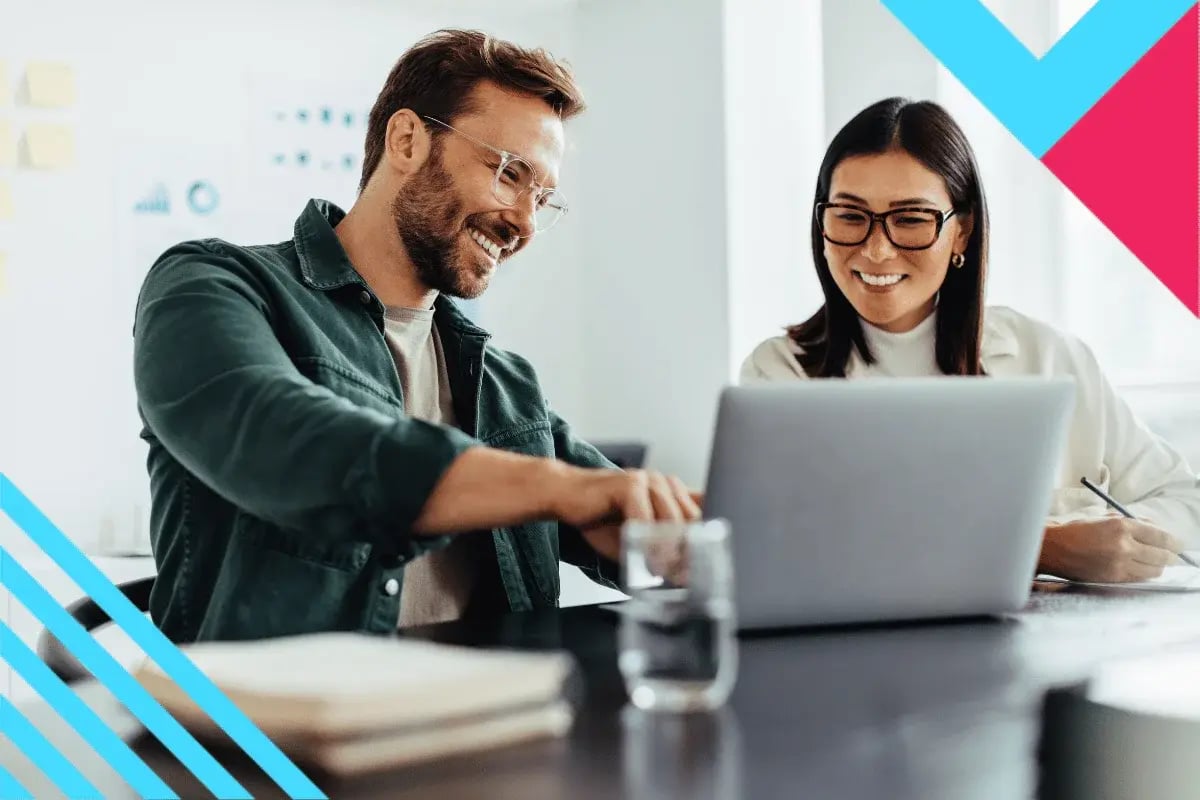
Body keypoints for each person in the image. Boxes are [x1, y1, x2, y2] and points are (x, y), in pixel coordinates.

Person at [132, 29, 699, 643]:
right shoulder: (212, 284)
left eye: (544, 198)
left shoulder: (506, 384)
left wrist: (669, 533)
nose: (525, 223)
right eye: (510, 174)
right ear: (407, 140)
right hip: (278, 730)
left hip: (499, 722)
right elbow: (285, 436)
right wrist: (561, 488)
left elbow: (613, 507)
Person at [740, 97, 1200, 584]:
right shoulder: (780, 375)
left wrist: (1116, 543)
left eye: (911, 219)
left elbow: (1188, 502)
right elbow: (794, 543)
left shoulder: (1049, 358)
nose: (876, 249)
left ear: (961, 233)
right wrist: (1044, 546)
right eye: (850, 217)